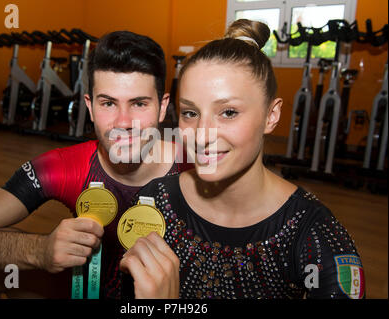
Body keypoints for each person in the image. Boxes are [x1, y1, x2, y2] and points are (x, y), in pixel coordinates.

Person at [119, 19, 366, 299]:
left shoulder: (313, 235)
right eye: (190, 113)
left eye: (228, 112)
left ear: (271, 116)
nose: (201, 137)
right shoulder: (154, 203)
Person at [0, 30, 191, 299]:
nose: (123, 123)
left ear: (163, 107)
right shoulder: (64, 165)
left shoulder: (196, 168)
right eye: (108, 103)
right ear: (90, 107)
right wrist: (39, 250)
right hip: (82, 290)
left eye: (139, 104)